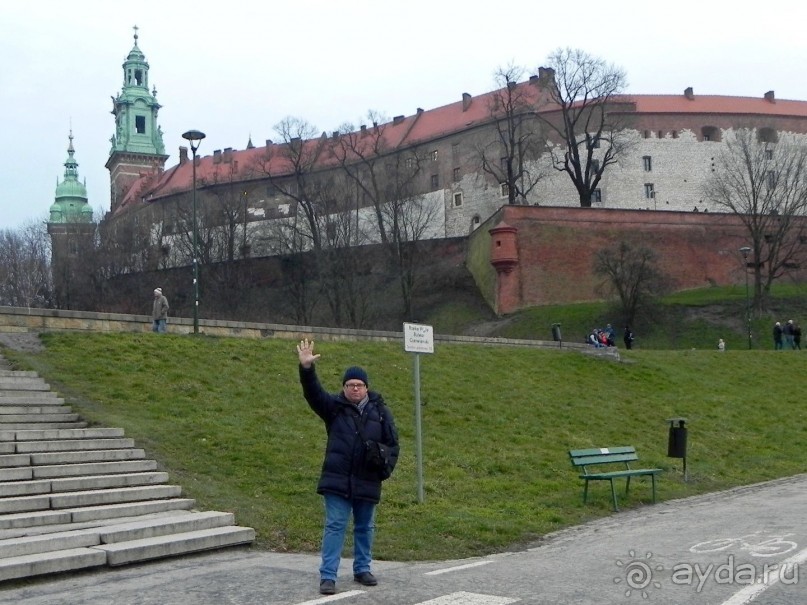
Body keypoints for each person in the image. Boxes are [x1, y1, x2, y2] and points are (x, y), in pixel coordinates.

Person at [296, 339, 400, 596]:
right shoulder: (334, 408)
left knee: (365, 527)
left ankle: (362, 569)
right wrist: (307, 369)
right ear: (343, 387)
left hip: (367, 478)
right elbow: (313, 394)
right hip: (338, 479)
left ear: (366, 388)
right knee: (335, 526)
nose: (355, 388)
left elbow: (393, 444)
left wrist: (384, 470)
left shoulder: (381, 413)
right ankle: (328, 576)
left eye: (359, 385)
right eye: (350, 385)